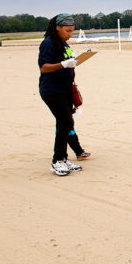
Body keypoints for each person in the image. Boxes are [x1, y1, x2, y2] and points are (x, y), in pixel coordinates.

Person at [38, 13, 90, 176]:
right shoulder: (48, 43)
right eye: (67, 31)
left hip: (66, 89)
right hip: (52, 90)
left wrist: (75, 62)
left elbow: (68, 63)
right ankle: (57, 160)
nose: (70, 35)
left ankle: (64, 158)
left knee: (65, 124)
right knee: (65, 121)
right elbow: (44, 67)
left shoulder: (64, 44)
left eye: (72, 31)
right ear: (57, 28)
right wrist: (63, 64)